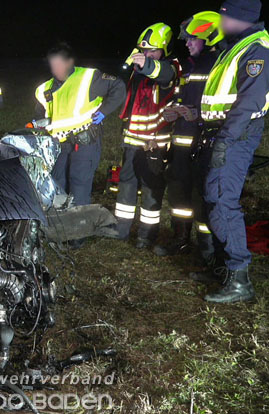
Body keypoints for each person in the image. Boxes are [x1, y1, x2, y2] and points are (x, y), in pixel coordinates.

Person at [198, 0, 269, 303]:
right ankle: (222, 268)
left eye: (223, 16)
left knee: (222, 201)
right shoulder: (236, 46)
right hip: (221, 133)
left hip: (234, 136)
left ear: (239, 17)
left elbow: (248, 104)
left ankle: (239, 279)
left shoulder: (258, 49)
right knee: (212, 199)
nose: (219, 21)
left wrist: (225, 142)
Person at [154, 11, 223, 258]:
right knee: (179, 193)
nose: (187, 42)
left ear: (209, 37)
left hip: (204, 145)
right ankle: (181, 239)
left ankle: (207, 251)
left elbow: (227, 106)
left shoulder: (220, 66)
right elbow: (181, 97)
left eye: (193, 38)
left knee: (202, 197)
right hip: (181, 144)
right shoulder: (190, 67)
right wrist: (173, 110)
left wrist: (199, 115)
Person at [33, 42, 126, 212]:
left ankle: (78, 233)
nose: (56, 69)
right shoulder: (44, 88)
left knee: (79, 185)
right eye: (53, 65)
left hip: (84, 142)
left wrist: (104, 112)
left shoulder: (88, 78)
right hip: (59, 145)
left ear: (69, 62)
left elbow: (118, 88)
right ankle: (59, 227)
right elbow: (40, 116)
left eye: (60, 64)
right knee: (57, 182)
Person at [114, 23, 181, 248]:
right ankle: (120, 231)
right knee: (126, 186)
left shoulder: (171, 67)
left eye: (153, 50)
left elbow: (163, 75)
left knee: (152, 191)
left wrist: (147, 64)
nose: (147, 54)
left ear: (166, 50)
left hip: (155, 144)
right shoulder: (138, 70)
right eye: (144, 50)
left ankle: (146, 236)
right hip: (132, 141)